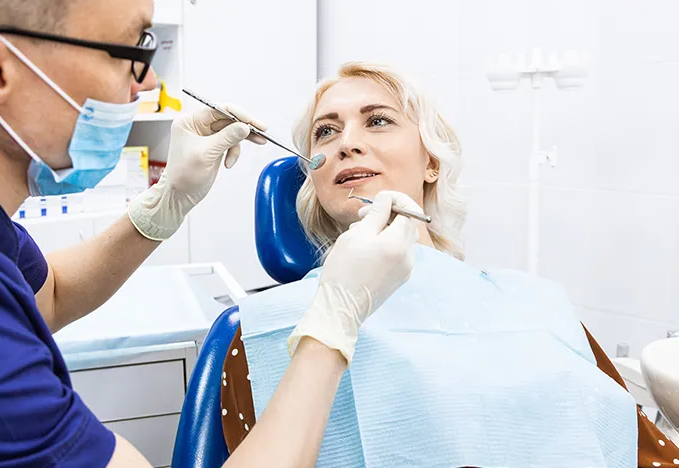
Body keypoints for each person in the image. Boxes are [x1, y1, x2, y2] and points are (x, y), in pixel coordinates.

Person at [0, 0, 422, 467]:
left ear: (434, 162)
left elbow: (52, 293)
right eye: (130, 51)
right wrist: (332, 327)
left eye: (378, 121)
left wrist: (167, 204)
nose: (145, 84)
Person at [221, 62, 679, 467]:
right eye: (326, 132)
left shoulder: (541, 306)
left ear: (432, 164)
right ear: (315, 180)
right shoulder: (260, 332)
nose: (347, 144)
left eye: (377, 121)